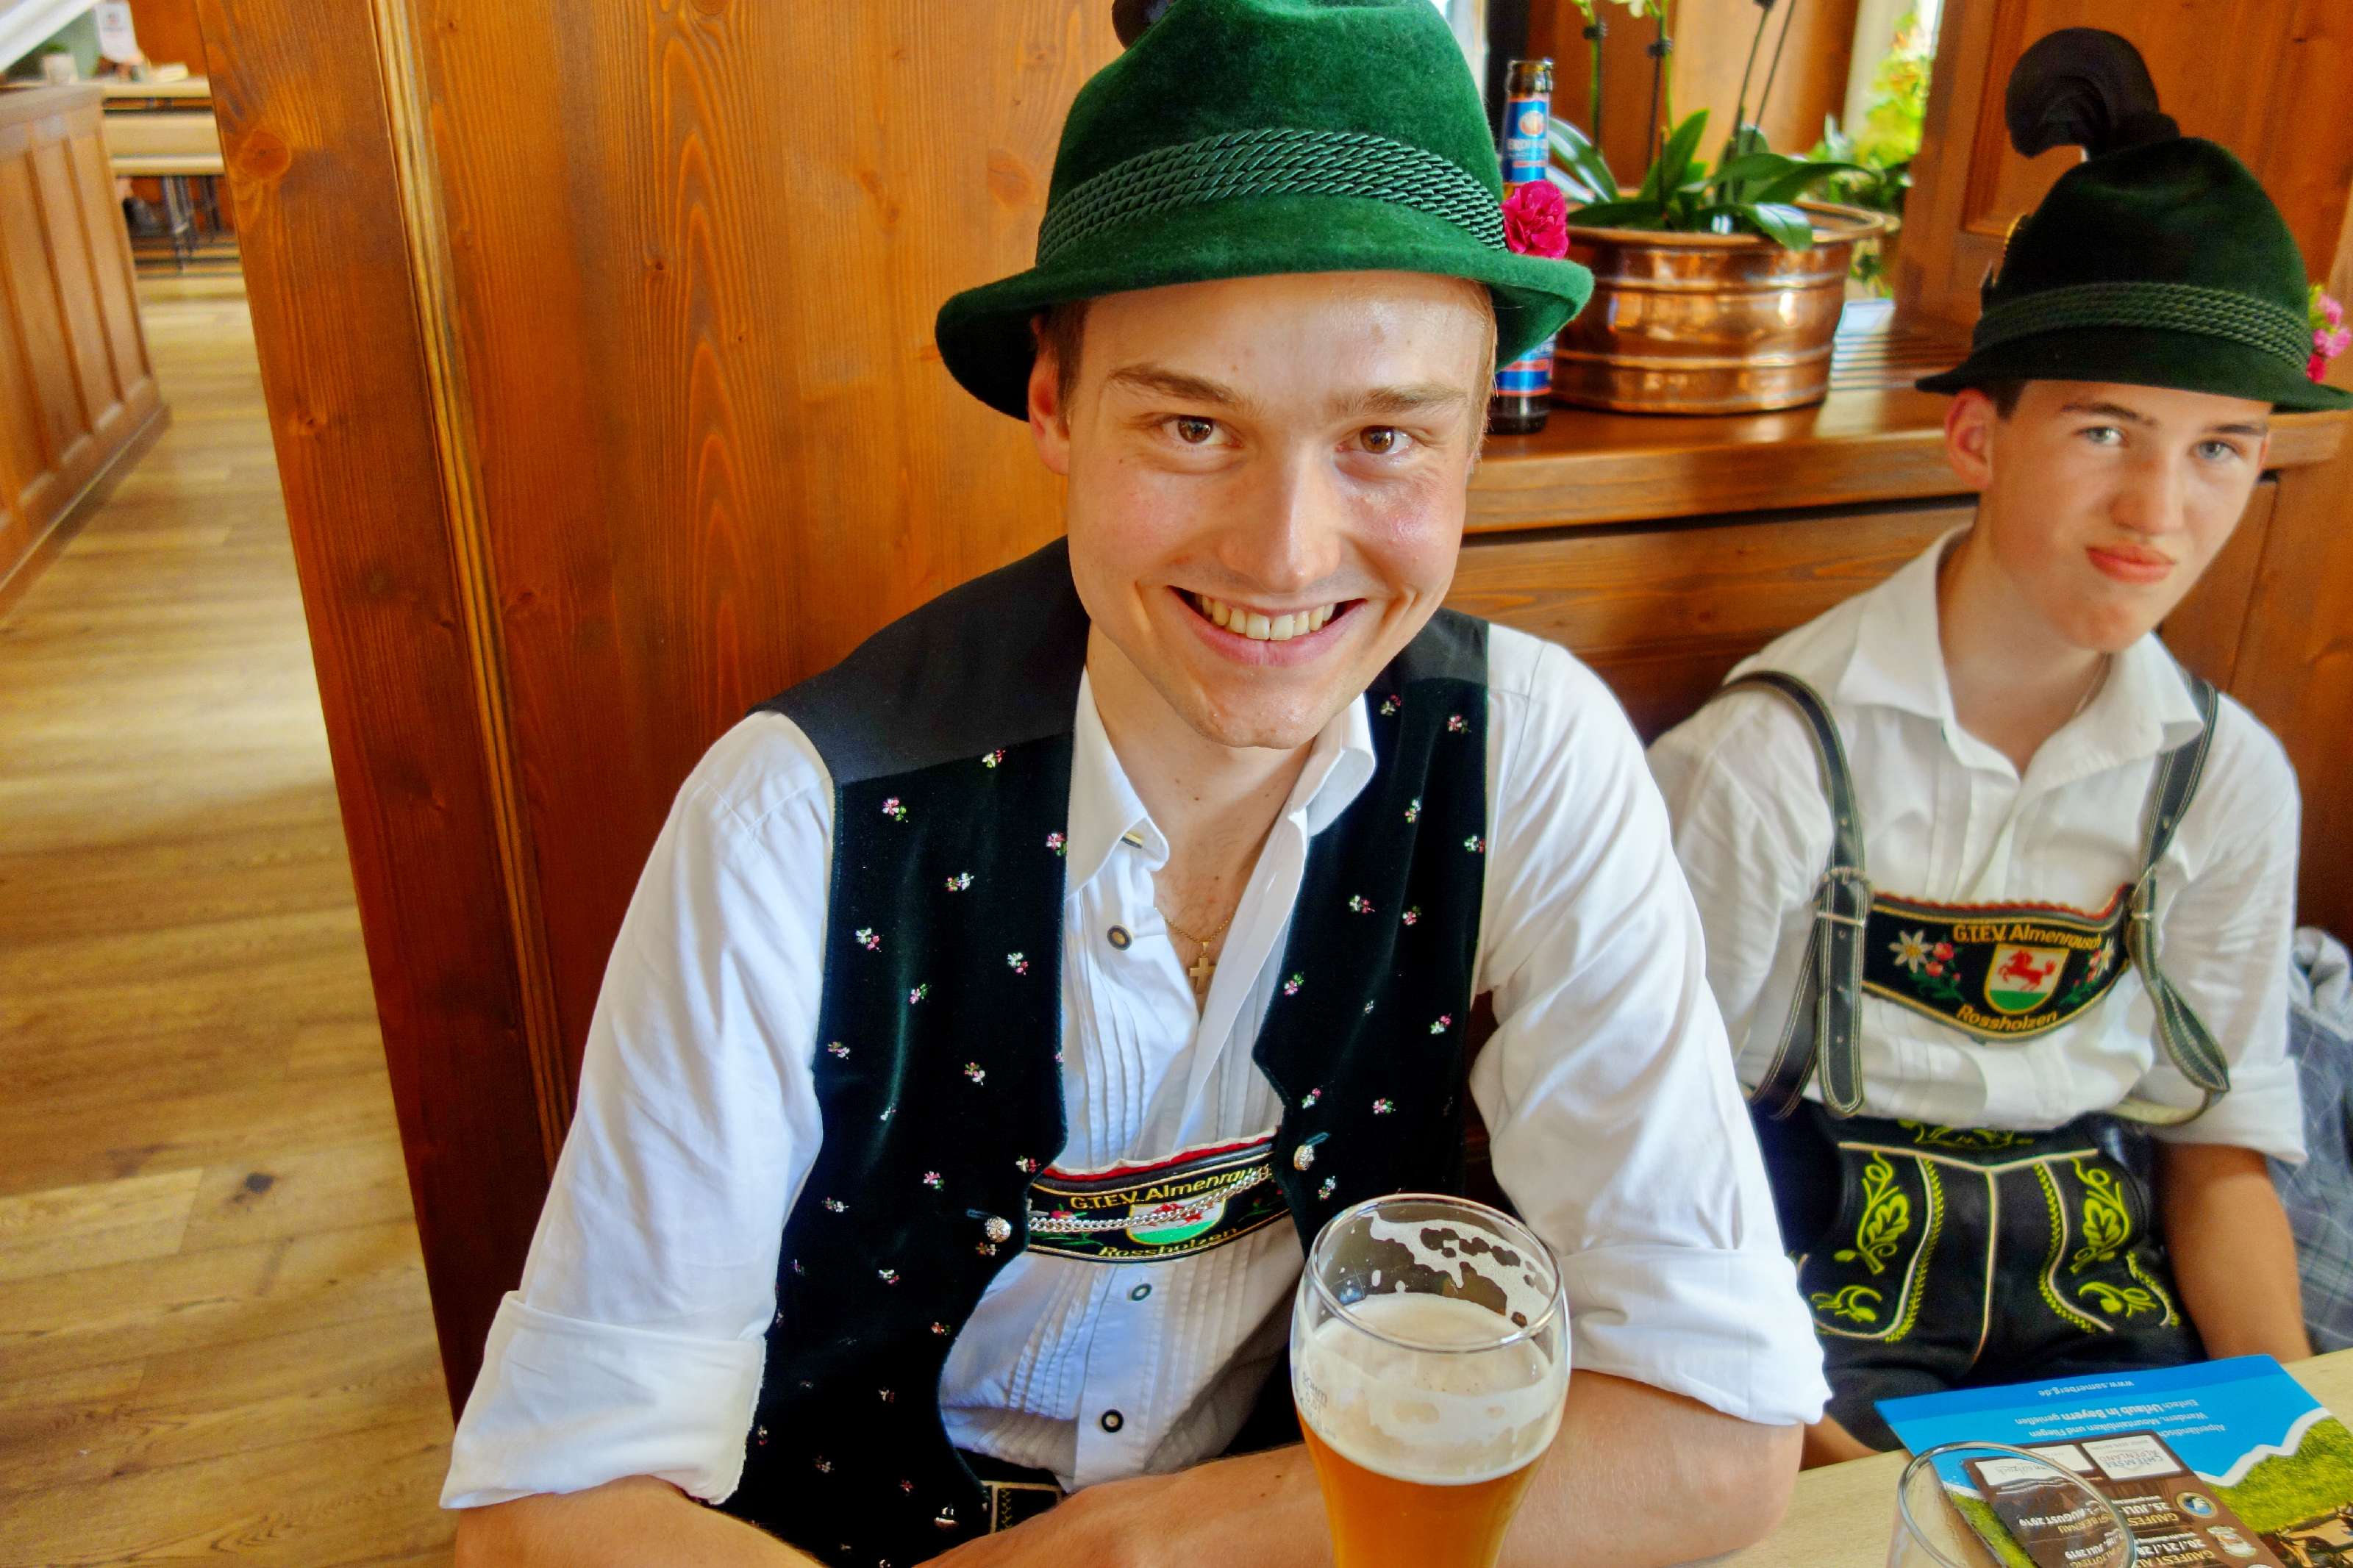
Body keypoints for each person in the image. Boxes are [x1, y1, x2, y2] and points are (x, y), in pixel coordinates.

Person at [441, 1, 1825, 1564]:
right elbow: (548, 1511)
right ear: (1054, 404)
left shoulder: (1533, 750)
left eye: (1385, 435)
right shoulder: (797, 819)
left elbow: (1715, 1436)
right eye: (1190, 423)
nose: (1285, 554)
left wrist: (1143, 1547)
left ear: (1471, 441)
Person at [1648, 29, 2338, 1466]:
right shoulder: (1769, 761)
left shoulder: (2226, 779)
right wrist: (1848, 1489)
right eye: (2105, 430)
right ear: (1976, 435)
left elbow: (2214, 1152)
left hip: (2097, 1299)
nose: (2160, 509)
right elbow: (1652, 1168)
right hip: (1804, 1310)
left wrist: (2295, 1457)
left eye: (2219, 447)